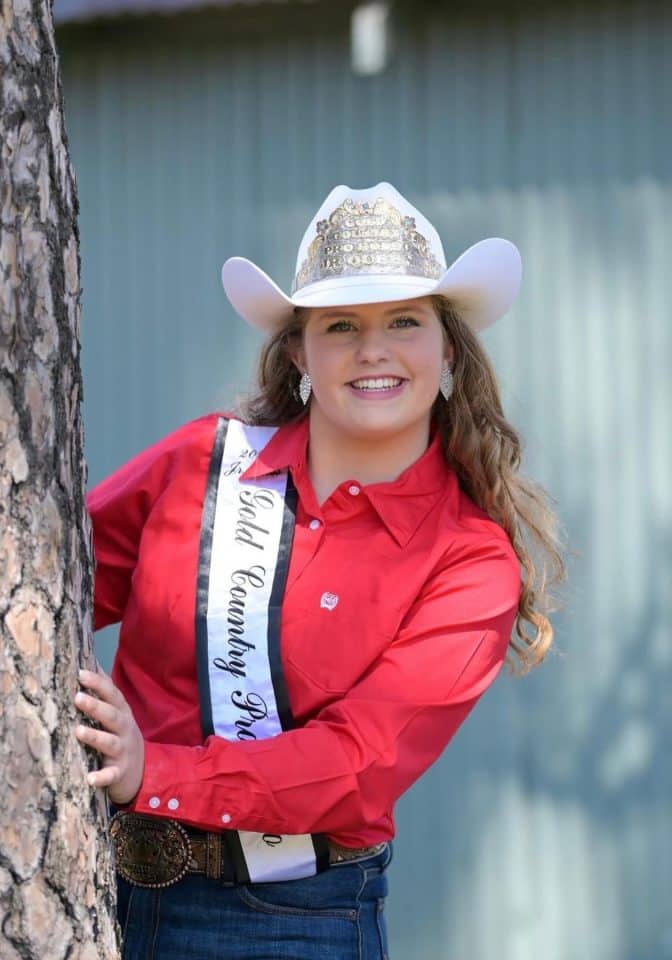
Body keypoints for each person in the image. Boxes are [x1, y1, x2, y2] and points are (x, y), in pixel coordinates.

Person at [74, 182, 564, 959]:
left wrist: (153, 771)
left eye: (405, 320)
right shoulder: (202, 463)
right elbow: (42, 594)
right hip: (86, 883)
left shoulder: (469, 561)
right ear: (299, 351)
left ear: (447, 353)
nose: (374, 349)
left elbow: (356, 765)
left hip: (291, 922)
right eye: (342, 325)